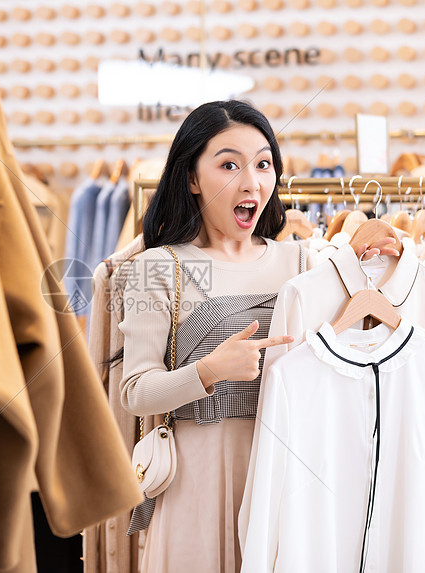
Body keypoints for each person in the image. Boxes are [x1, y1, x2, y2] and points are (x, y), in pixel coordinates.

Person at [119, 100, 304, 572]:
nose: (252, 182)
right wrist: (208, 371)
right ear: (192, 179)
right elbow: (135, 392)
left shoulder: (305, 263)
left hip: (285, 476)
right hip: (195, 484)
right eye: (229, 165)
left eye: (264, 164)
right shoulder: (155, 268)